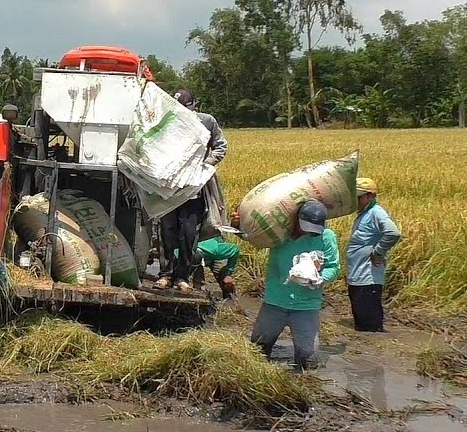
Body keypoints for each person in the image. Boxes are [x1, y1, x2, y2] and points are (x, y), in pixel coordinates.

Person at [235, 200, 340, 370]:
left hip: (306, 306)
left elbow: (334, 266)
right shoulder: (279, 234)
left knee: (308, 360)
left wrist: (321, 279)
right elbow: (253, 237)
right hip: (275, 301)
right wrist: (239, 227)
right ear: (297, 220)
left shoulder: (326, 237)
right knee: (257, 351)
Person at [155, 88, 228, 293]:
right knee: (167, 233)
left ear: (194, 106)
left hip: (193, 190)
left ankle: (182, 277)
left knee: (187, 235)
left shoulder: (206, 122)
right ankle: (165, 275)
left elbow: (221, 146)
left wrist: (208, 164)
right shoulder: (167, 123)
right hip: (169, 189)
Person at [345, 177, 401, 332]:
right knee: (361, 322)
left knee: (369, 326)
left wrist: (378, 252)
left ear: (371, 196)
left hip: (368, 278)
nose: (356, 201)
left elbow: (393, 232)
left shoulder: (376, 213)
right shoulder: (364, 213)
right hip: (357, 276)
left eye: (359, 197)